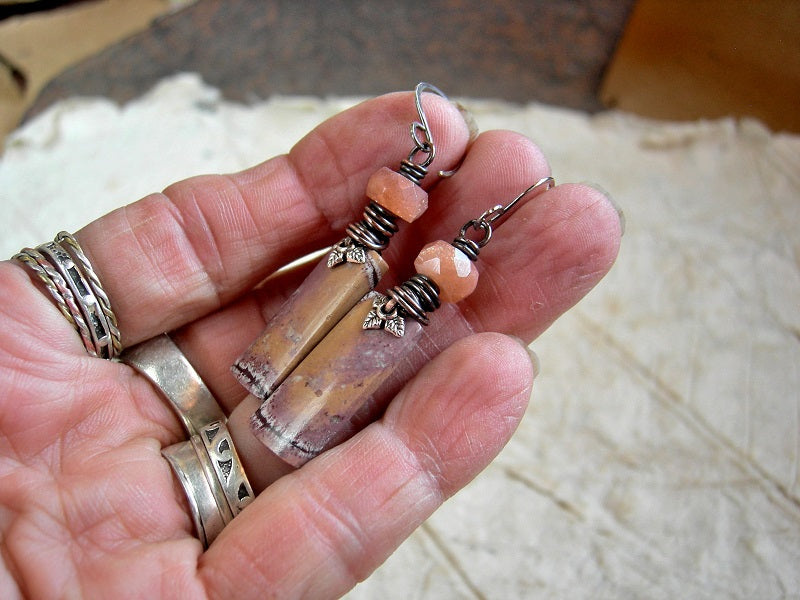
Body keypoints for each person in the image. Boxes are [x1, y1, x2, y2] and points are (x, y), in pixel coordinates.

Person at [0, 90, 622, 598]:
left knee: (378, 311)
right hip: (294, 349)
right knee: (368, 295)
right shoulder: (368, 268)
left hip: (347, 331)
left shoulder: (381, 279)